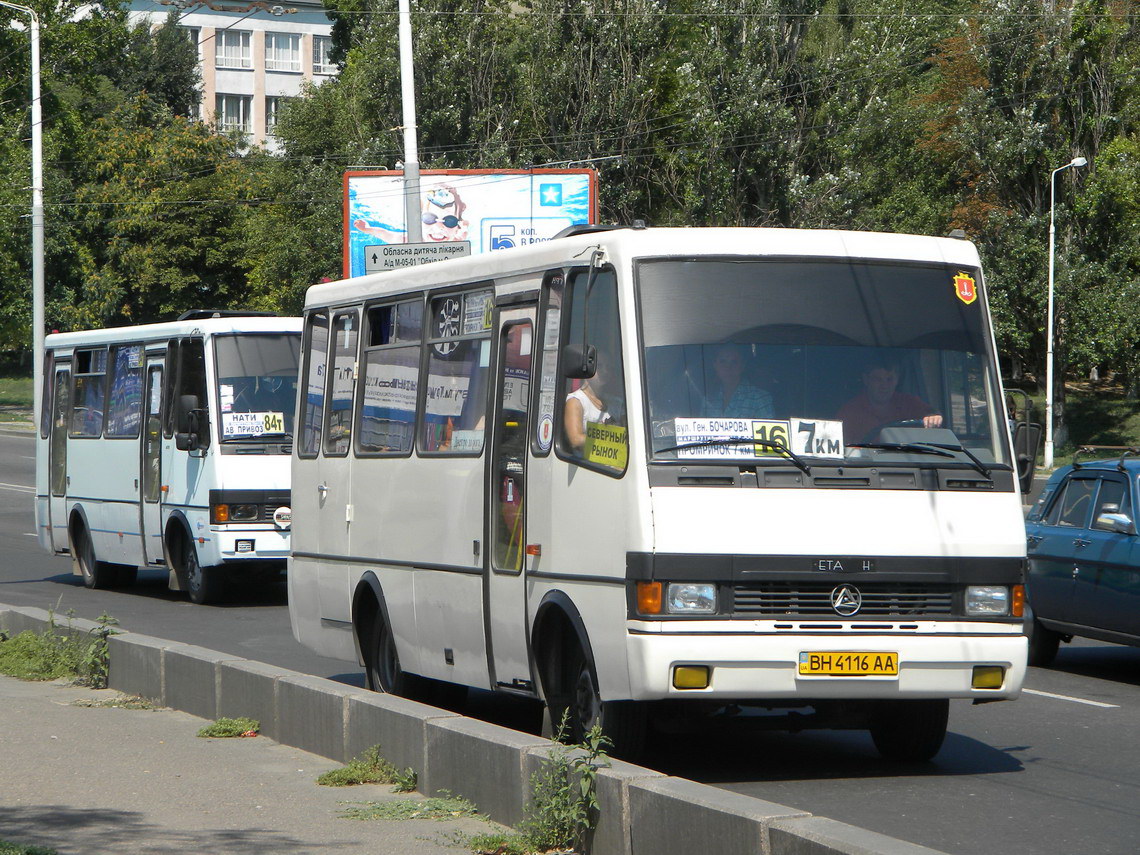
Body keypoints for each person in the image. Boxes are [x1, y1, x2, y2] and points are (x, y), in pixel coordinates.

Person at [837, 358, 942, 443]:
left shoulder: (909, 403)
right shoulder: (850, 412)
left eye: (890, 379)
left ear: (897, 380)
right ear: (866, 380)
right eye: (878, 379)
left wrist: (934, 417)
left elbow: (932, 414)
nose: (884, 386)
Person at [701, 344, 774, 419]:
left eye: (734, 362)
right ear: (715, 365)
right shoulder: (709, 398)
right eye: (723, 361)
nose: (728, 368)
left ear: (742, 365)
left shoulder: (759, 397)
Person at [564, 366, 611, 453]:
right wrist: (609, 442)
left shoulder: (616, 402)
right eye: (600, 367)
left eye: (608, 367)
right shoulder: (576, 400)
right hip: (587, 463)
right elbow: (575, 439)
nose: (605, 371)